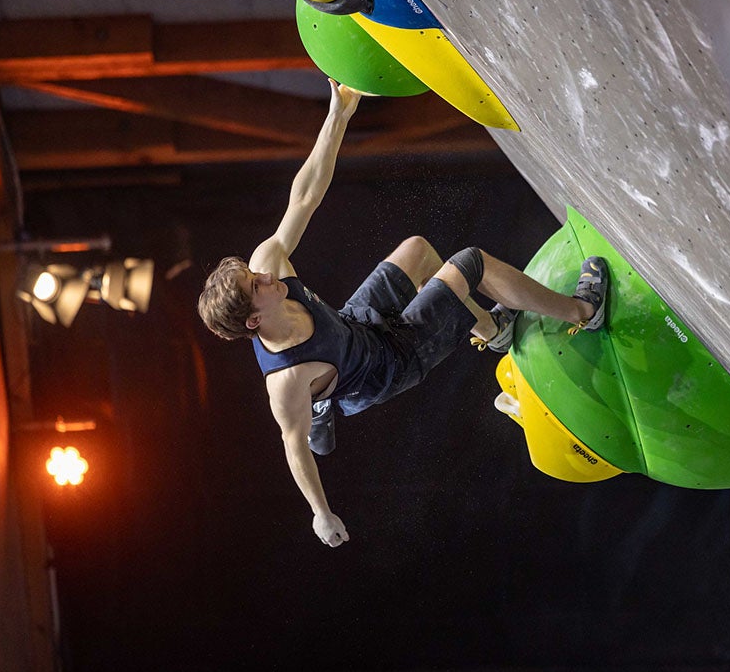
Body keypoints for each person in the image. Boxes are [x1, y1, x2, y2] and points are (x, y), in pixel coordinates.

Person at [198, 79, 609, 548]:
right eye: (257, 287)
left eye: (258, 275)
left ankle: (494, 330)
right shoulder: (285, 381)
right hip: (386, 367)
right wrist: (321, 514)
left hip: (355, 325)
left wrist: (340, 113)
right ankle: (584, 310)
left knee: (417, 250)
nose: (265, 276)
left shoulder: (267, 263)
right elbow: (294, 451)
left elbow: (305, 196)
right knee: (469, 263)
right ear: (253, 321)